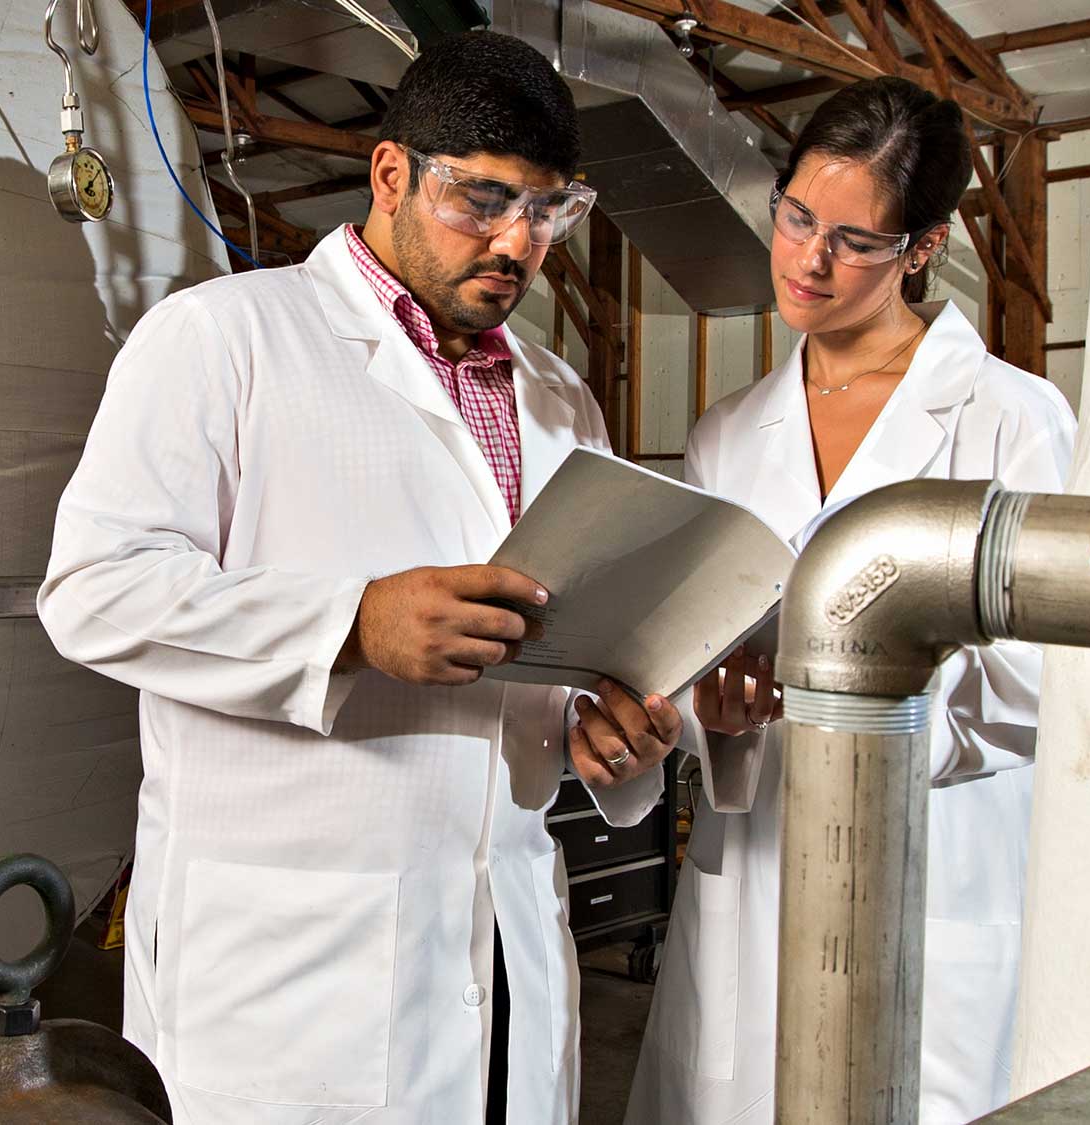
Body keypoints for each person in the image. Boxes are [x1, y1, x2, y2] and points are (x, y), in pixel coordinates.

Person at [37, 30, 680, 1125]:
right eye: (480, 201)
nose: (516, 243)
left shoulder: (559, 395)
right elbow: (94, 590)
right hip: (287, 971)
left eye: (547, 210)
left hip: (506, 943)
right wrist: (350, 624)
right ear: (391, 175)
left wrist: (612, 735)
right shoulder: (219, 340)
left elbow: (556, 647)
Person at [624, 76, 1077, 1124]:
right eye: (793, 218)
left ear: (919, 248)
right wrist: (713, 717)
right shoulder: (729, 432)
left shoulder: (1009, 421)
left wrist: (861, 709)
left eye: (852, 241)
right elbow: (694, 645)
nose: (806, 261)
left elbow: (1042, 683)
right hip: (757, 856)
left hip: (928, 863)